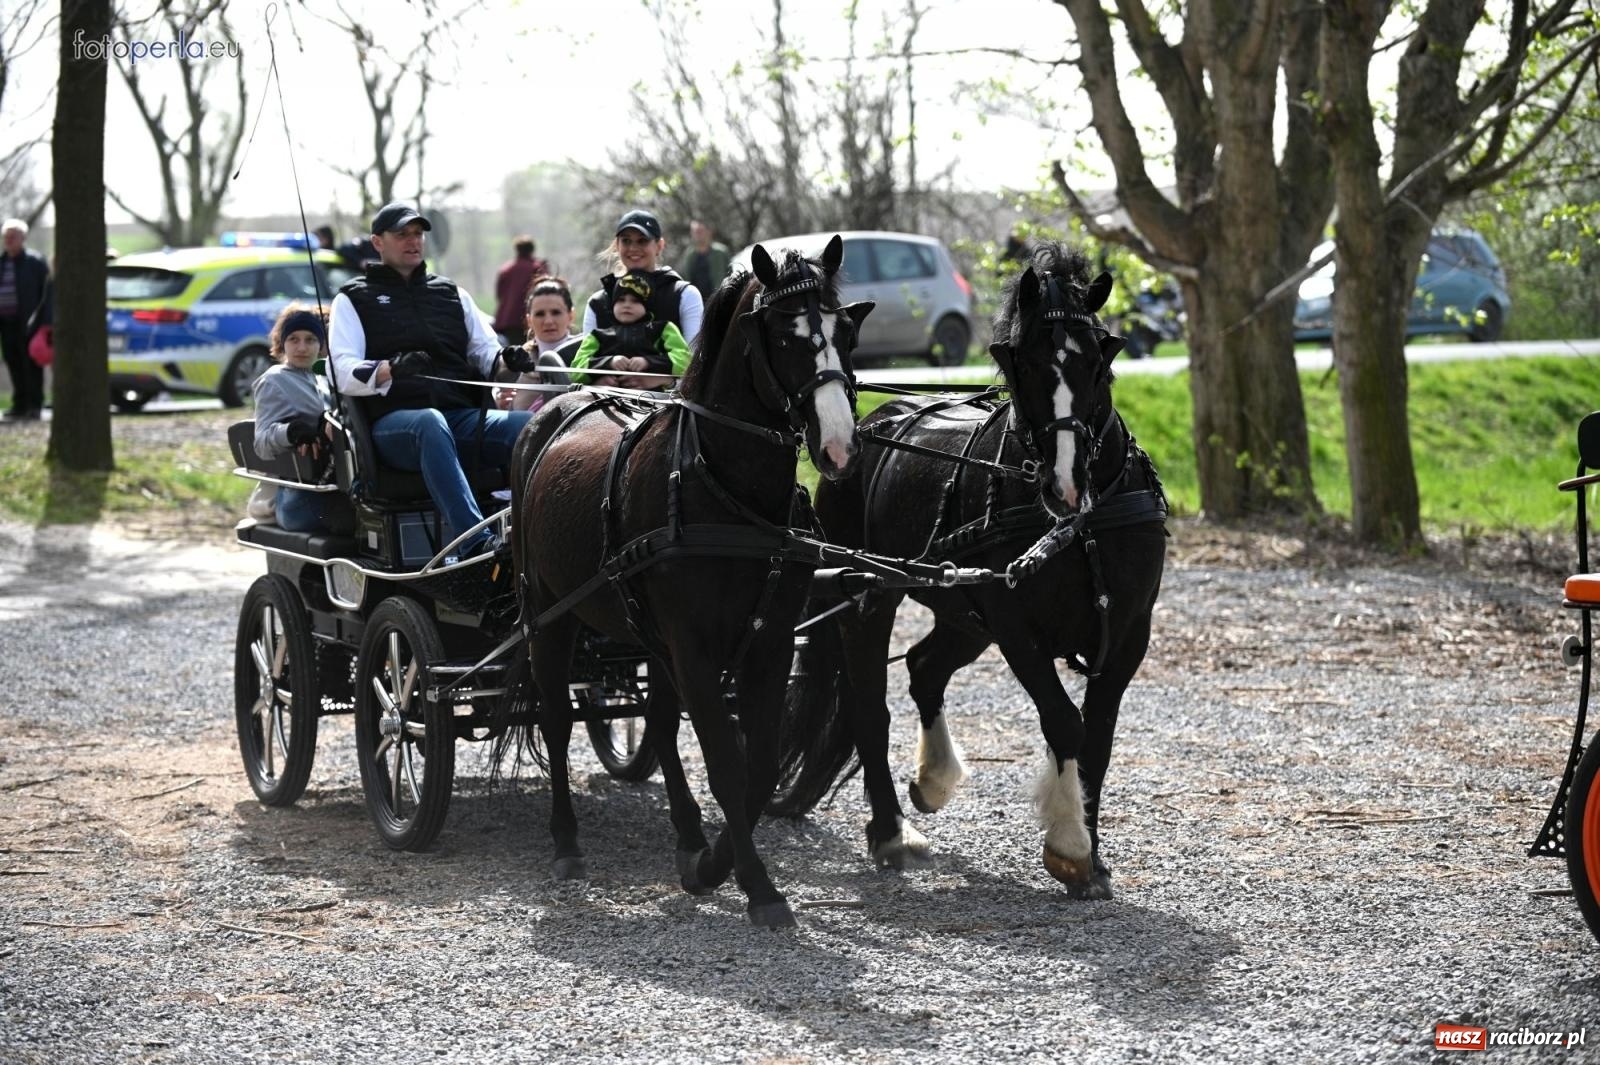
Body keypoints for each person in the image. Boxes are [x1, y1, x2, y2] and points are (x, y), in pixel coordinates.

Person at [327, 202, 544, 557]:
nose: (413, 241)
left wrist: (511, 359)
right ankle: (475, 544)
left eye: (417, 234)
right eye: (402, 234)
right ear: (378, 242)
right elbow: (342, 372)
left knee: (533, 425)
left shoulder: (452, 294)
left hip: (460, 418)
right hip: (395, 428)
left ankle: (537, 534)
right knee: (430, 423)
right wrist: (390, 369)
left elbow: (488, 356)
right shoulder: (353, 299)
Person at [251, 304, 356, 534]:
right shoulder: (274, 381)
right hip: (296, 497)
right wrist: (291, 432)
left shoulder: (326, 379)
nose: (302, 347)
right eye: (293, 339)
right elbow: (261, 443)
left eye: (310, 339)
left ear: (321, 345)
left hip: (331, 487)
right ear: (282, 343)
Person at [582, 208, 703, 345]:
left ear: (659, 246)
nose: (633, 248)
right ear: (617, 245)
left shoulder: (685, 296)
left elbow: (694, 358)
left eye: (642, 241)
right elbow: (584, 359)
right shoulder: (598, 303)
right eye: (626, 241)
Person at [571, 271, 691, 389]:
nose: (627, 305)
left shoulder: (664, 329)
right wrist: (608, 363)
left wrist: (648, 362)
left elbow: (686, 362)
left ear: (647, 307)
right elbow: (575, 372)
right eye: (621, 300)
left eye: (635, 301)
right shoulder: (597, 335)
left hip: (654, 401)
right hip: (603, 399)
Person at [496, 275, 580, 413]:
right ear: (529, 320)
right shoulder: (513, 364)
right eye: (540, 314)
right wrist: (501, 404)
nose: (548, 321)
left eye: (556, 312)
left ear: (571, 315)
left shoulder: (587, 355)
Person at [0, 218, 50, 422]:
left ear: (23, 238)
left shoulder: (35, 263)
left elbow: (46, 294)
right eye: (6, 237)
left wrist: (44, 322)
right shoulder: (2, 263)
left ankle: (34, 404)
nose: (9, 240)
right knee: (13, 363)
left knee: (31, 365)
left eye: (13, 237)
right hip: (6, 322)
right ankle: (19, 404)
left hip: (30, 324)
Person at [493, 235, 550, 346]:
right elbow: (547, 292)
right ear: (532, 249)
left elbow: (499, 295)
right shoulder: (537, 268)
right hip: (532, 319)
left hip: (509, 321)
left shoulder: (506, 270)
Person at [681, 219, 731, 300]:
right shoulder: (689, 255)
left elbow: (731, 276)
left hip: (719, 301)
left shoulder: (721, 252)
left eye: (700, 231)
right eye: (695, 232)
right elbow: (686, 279)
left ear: (709, 232)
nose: (698, 235)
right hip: (696, 302)